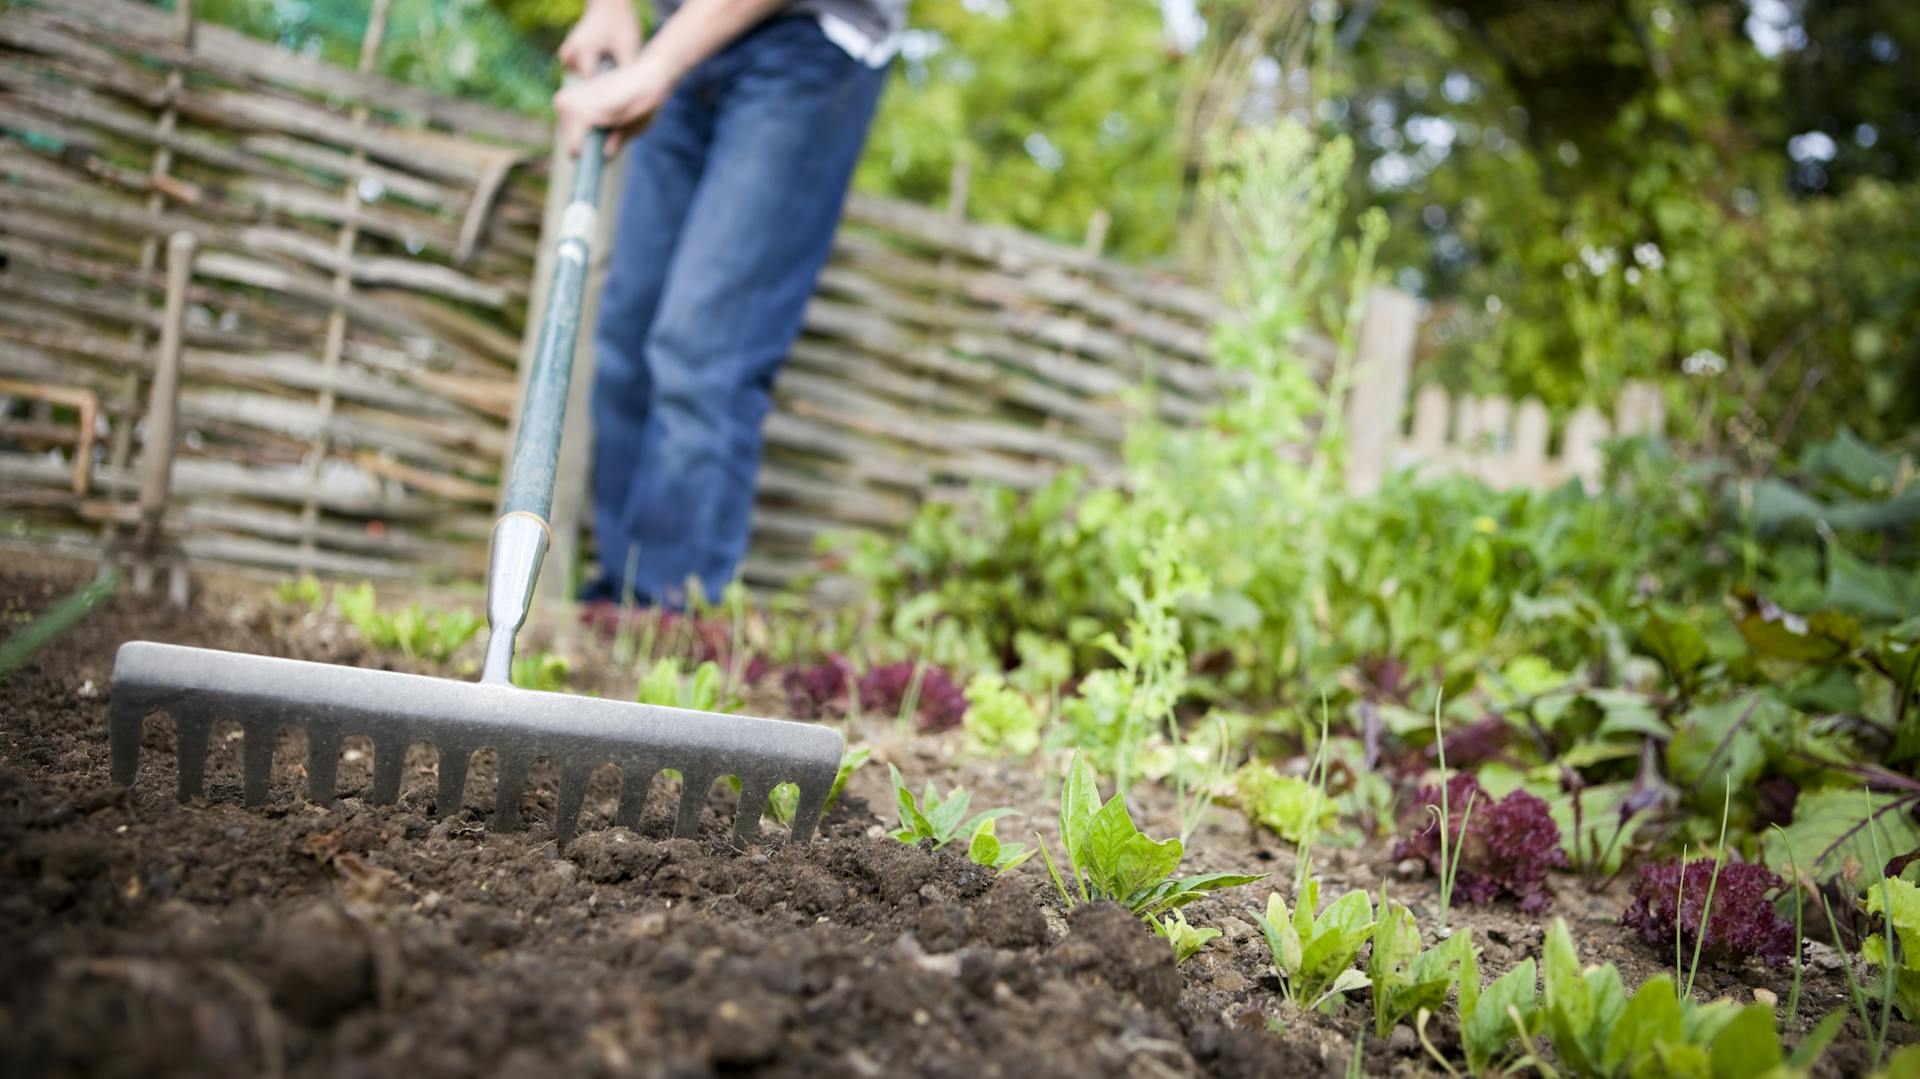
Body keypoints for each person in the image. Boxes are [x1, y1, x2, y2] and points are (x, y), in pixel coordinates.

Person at [553, 0, 902, 608]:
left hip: (810, 40)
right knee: (625, 343)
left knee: (702, 351)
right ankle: (617, 604)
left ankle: (667, 624)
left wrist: (654, 67)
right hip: (685, 37)